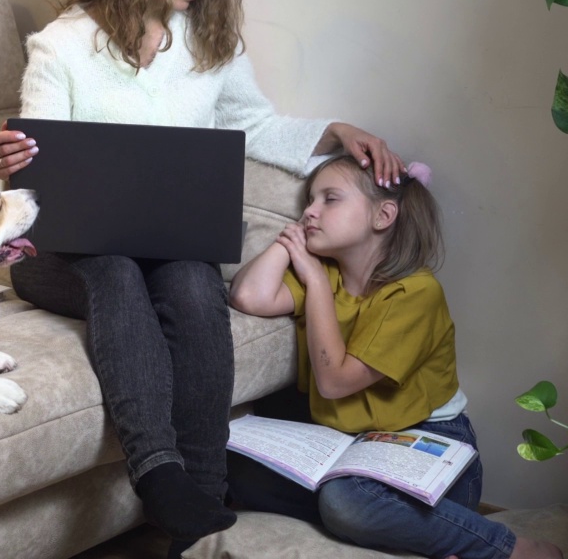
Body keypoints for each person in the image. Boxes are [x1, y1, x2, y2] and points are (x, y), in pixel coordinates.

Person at [0, 0, 406, 553]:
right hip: (64, 261)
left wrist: (336, 134)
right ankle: (158, 472)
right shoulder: (61, 47)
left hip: (168, 245)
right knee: (116, 269)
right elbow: (41, 167)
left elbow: (256, 126)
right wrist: (14, 162)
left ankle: (199, 502)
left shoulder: (209, 45)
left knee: (188, 278)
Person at [228, 156, 563, 559]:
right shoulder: (329, 273)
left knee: (346, 502)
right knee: (238, 470)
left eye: (329, 199)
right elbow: (249, 296)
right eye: (309, 201)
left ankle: (508, 548)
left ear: (384, 215)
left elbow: (334, 382)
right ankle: (408, 529)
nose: (309, 211)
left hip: (428, 440)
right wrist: (291, 240)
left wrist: (314, 282)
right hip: (348, 441)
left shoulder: (416, 293)